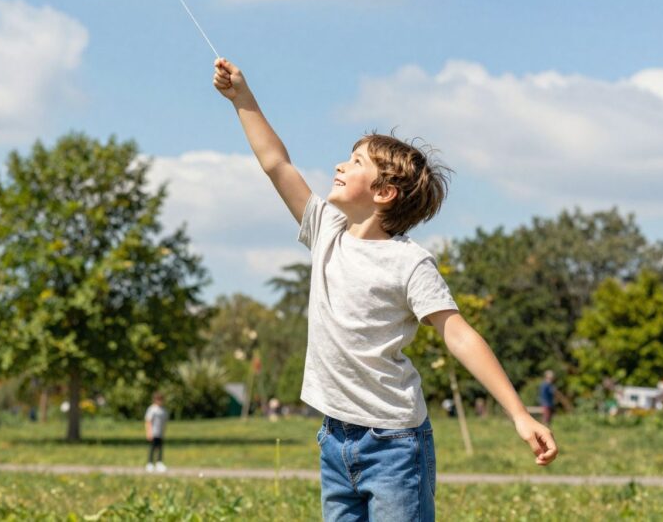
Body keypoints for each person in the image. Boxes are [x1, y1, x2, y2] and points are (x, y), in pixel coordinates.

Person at [212, 58, 558, 521]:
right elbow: (277, 164)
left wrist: (519, 413)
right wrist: (242, 98)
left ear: (383, 192)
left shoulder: (408, 262)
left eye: (355, 161)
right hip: (334, 439)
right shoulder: (326, 230)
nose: (339, 164)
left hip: (395, 445)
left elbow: (458, 334)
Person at [144, 392, 168, 472]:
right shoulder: (152, 409)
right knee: (152, 448)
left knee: (160, 448)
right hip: (153, 432)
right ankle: (150, 463)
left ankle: (159, 463)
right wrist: (149, 432)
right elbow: (148, 421)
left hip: (160, 433)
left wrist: (164, 432)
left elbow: (164, 422)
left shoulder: (163, 410)